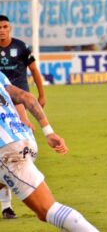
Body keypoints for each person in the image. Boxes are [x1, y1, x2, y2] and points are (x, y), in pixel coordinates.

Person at [0, 71, 99, 231]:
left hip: (7, 151)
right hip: (24, 139)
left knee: (46, 209)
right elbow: (27, 98)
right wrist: (49, 132)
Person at [0, 15, 46, 218]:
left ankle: (35, 195)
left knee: (22, 151)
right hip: (3, 106)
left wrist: (41, 95)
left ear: (10, 28)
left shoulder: (21, 47)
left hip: (21, 104)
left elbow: (34, 70)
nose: (1, 30)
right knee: (8, 152)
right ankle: (7, 206)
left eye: (4, 27)